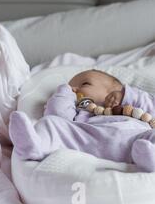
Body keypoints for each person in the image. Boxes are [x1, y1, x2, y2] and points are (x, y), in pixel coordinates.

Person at [9, 69, 155, 172]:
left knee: (151, 137)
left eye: (85, 84)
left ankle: (148, 159)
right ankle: (34, 145)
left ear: (113, 89)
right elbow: (58, 115)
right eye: (71, 87)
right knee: (50, 123)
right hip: (89, 138)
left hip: (136, 138)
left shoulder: (133, 108)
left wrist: (125, 94)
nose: (74, 89)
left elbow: (150, 104)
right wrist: (64, 92)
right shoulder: (83, 113)